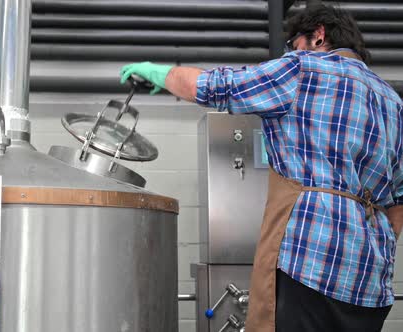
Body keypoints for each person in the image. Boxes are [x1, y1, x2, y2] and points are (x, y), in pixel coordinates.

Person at [120, 4, 403, 332]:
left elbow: (214, 87)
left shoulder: (303, 69)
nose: (290, 51)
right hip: (370, 281)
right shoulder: (393, 102)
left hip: (310, 265)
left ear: (318, 36)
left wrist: (160, 73)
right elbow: (398, 202)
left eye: (293, 43)